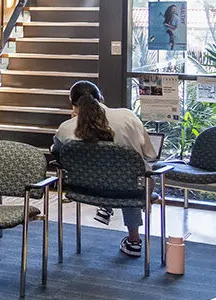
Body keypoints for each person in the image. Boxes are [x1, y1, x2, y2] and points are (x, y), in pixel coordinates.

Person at [53, 81, 156, 258]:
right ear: (101, 98)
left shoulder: (66, 128)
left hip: (87, 189)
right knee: (131, 176)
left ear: (72, 104)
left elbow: (59, 154)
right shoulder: (127, 116)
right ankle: (134, 241)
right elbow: (150, 154)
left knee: (110, 172)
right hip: (130, 190)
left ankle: (105, 206)